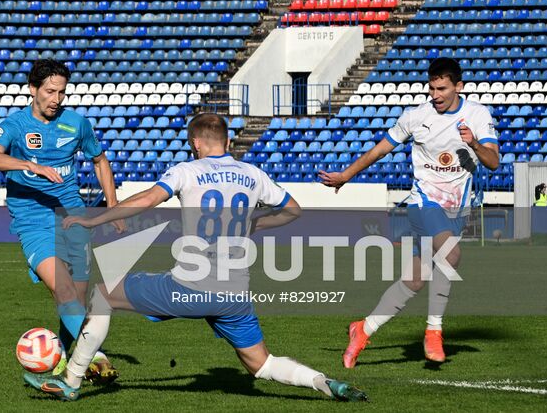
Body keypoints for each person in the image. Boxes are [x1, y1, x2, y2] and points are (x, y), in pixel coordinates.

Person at [26, 112, 366, 402]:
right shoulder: (253, 175)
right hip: (235, 295)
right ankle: (324, 383)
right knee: (261, 364)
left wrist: (95, 217)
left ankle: (70, 381)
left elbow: (147, 199)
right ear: (228, 143)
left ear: (195, 143)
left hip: (189, 286)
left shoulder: (187, 171)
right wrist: (254, 225)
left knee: (103, 293)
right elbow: (293, 210)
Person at [318, 57, 499, 366]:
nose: (435, 95)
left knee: (415, 279)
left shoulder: (477, 115)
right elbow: (379, 149)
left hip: (455, 209)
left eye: (442, 88)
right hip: (422, 202)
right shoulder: (416, 117)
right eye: (431, 88)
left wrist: (475, 145)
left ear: (459, 86)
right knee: (451, 255)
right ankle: (433, 331)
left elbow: (493, 161)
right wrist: (346, 175)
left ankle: (363, 329)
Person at [0, 58, 120, 384]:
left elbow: (99, 160)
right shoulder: (15, 125)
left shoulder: (77, 123)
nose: (56, 99)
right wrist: (30, 167)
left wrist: (113, 206)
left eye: (61, 92)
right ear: (33, 89)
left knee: (74, 297)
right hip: (32, 219)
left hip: (73, 217)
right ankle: (96, 358)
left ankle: (67, 365)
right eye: (49, 91)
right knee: (61, 286)